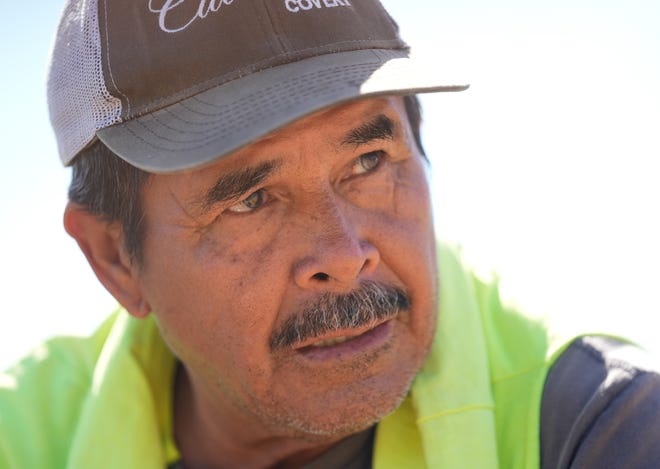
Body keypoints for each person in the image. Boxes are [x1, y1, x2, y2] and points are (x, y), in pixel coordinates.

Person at [1, 0, 659, 468]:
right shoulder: (20, 441)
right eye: (252, 200)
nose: (344, 257)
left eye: (369, 162)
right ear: (114, 258)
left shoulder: (598, 425)